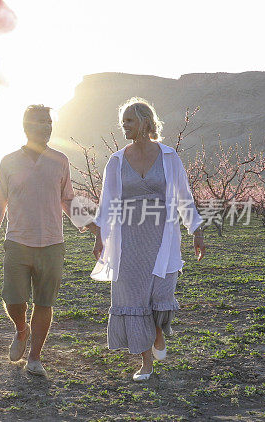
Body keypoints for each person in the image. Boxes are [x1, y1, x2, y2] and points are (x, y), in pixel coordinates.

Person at [85, 97, 206, 382]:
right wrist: (100, 238)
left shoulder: (168, 157)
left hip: (161, 237)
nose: (124, 125)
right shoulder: (116, 161)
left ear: (145, 122)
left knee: (161, 294)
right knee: (134, 298)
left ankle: (158, 332)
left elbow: (183, 197)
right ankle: (145, 363)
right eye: (122, 121)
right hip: (127, 240)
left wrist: (196, 231)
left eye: (129, 120)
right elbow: (107, 202)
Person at [0, 104, 77, 376]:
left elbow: (67, 200)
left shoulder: (60, 160)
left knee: (44, 302)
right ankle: (22, 330)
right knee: (14, 300)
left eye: (48, 122)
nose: (45, 127)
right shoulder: (9, 161)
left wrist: (93, 226)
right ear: (25, 127)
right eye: (38, 122)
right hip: (18, 243)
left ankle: (34, 357)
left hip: (52, 244)